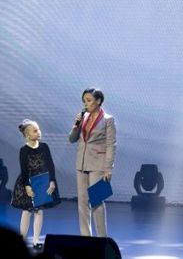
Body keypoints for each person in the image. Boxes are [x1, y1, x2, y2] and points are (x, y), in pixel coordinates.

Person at [68, 87, 116, 237]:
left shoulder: (108, 119)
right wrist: (76, 125)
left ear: (98, 101)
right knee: (82, 202)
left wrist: (108, 168)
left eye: (88, 100)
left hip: (99, 165)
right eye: (84, 101)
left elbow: (111, 144)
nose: (85, 104)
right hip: (81, 164)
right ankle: (86, 238)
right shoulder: (83, 117)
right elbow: (72, 139)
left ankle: (102, 238)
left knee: (97, 201)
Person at [11, 119, 60, 249]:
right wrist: (27, 186)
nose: (38, 132)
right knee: (27, 211)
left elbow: (50, 165)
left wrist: (52, 181)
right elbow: (24, 170)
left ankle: (36, 240)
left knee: (39, 211)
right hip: (29, 182)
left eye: (38, 130)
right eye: (35, 131)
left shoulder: (44, 147)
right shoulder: (24, 150)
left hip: (42, 182)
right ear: (27, 135)